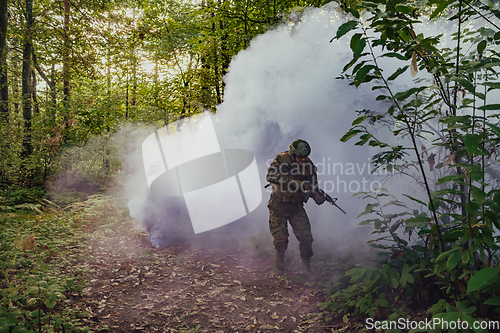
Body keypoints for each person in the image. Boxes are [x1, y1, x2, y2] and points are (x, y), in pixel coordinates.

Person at [266, 139, 325, 273]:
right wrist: (295, 183)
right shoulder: (281, 159)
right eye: (300, 157)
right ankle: (279, 265)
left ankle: (306, 268)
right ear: (293, 155)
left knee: (306, 238)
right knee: (281, 240)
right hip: (278, 206)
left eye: (305, 157)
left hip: (296, 208)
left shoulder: (309, 166)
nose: (303, 160)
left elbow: (313, 186)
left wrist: (316, 196)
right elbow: (270, 176)